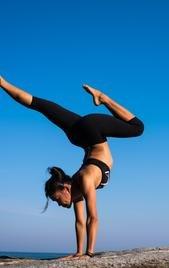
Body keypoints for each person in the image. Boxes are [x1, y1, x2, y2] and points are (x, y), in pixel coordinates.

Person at [0, 76, 144, 259]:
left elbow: (93, 218)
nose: (59, 204)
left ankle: (103, 97)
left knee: (138, 127)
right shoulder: (77, 191)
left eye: (56, 199)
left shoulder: (84, 179)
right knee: (39, 105)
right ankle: (2, 82)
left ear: (64, 187)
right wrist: (78, 252)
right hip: (79, 133)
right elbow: (80, 222)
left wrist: (89, 254)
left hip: (93, 130)